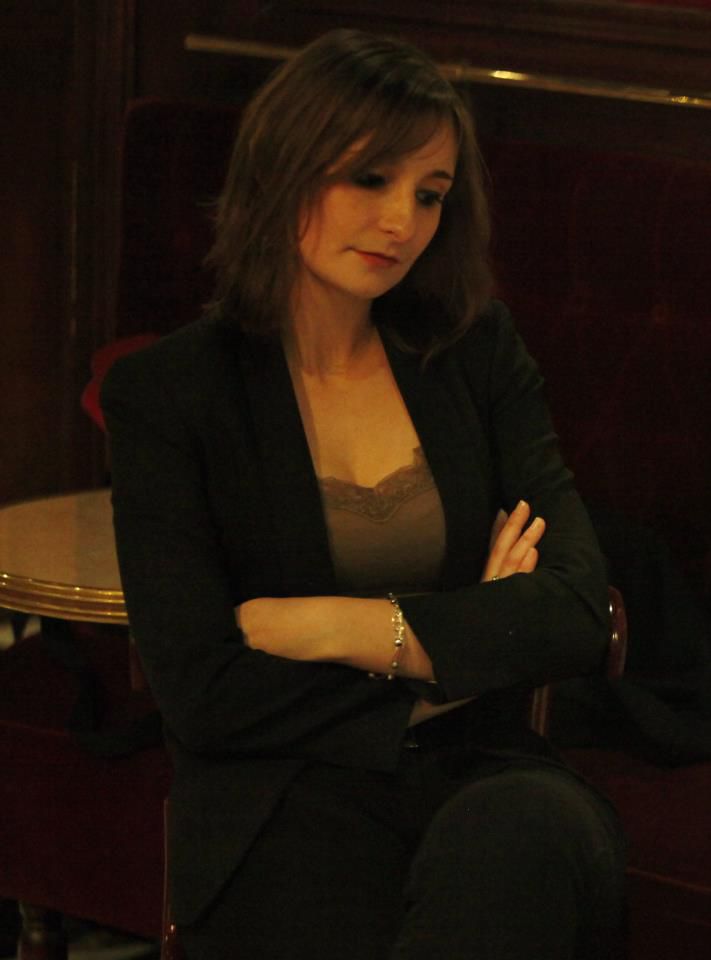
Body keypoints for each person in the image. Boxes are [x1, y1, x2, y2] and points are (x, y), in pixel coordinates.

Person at [101, 28, 626, 960]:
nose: (402, 222)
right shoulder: (170, 393)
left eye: (429, 194)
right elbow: (203, 692)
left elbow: (578, 610)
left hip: (482, 767)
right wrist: (466, 641)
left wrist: (345, 628)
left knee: (526, 837)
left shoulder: (474, 351)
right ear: (284, 169)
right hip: (284, 787)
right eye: (370, 179)